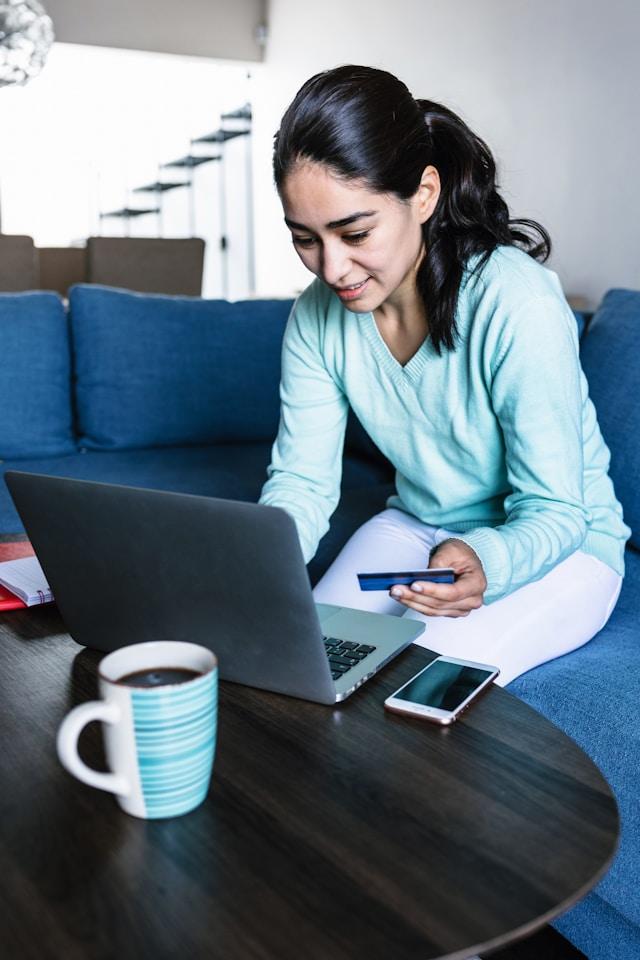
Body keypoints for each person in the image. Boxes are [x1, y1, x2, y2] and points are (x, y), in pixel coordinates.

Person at [258, 64, 629, 686]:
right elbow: (301, 483)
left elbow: (559, 509)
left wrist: (490, 556)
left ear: (423, 195)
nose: (332, 268)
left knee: (411, 687)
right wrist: (246, 577)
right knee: (296, 664)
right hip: (415, 524)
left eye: (355, 232)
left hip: (564, 547)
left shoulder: (516, 300)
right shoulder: (315, 317)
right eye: (306, 239)